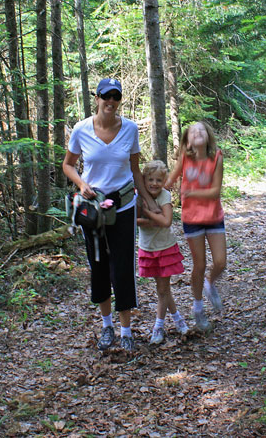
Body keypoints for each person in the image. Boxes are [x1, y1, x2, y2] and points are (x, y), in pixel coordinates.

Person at [62, 78, 157, 352]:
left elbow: (135, 169)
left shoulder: (129, 129)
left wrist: (148, 201)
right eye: (106, 96)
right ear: (97, 97)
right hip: (92, 210)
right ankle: (106, 327)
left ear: (119, 100)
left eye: (115, 97)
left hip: (123, 206)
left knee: (123, 267)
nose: (110, 102)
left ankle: (126, 330)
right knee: (99, 266)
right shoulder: (81, 129)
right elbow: (68, 165)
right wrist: (81, 184)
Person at [165, 121, 227, 332]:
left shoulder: (216, 157)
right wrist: (150, 189)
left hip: (213, 216)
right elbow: (170, 180)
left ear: (208, 136)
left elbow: (215, 191)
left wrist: (190, 193)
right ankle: (198, 308)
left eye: (202, 130)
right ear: (188, 141)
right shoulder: (185, 158)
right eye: (193, 132)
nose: (198, 133)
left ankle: (210, 284)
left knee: (220, 261)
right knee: (198, 265)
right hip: (192, 218)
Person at [136, 160, 190, 344]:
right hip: (147, 247)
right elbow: (134, 220)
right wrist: (152, 219)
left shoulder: (165, 196)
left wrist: (148, 213)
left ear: (164, 181)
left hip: (164, 248)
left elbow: (166, 221)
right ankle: (178, 320)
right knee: (163, 290)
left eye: (159, 180)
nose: (154, 184)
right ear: (143, 180)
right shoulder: (138, 196)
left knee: (162, 290)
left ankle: (158, 327)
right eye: (150, 179)